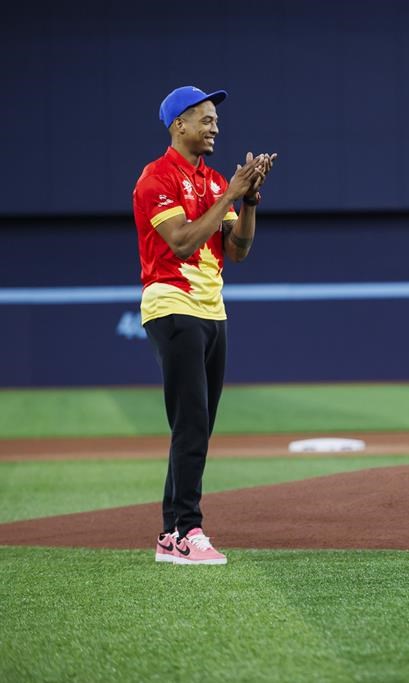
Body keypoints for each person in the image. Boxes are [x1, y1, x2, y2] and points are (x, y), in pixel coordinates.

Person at [133, 86, 276, 565]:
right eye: (204, 119)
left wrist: (249, 199)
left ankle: (171, 532)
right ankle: (186, 530)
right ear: (179, 125)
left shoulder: (216, 181)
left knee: (199, 425)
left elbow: (238, 250)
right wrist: (230, 195)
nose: (214, 127)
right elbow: (179, 242)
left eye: (215, 119)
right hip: (172, 302)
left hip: (213, 310)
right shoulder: (156, 178)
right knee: (191, 421)